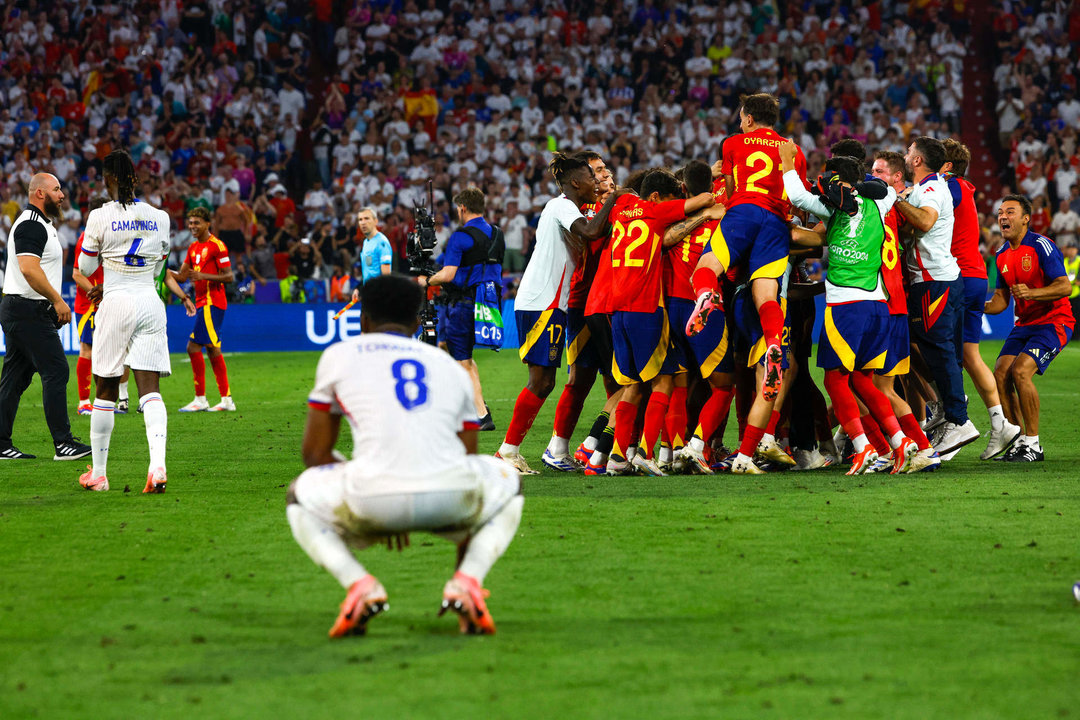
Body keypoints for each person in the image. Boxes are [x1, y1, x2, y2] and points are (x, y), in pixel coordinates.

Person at [285, 274, 523, 636]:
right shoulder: (448, 365)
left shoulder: (338, 356)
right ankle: (467, 581)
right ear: (416, 322)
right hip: (450, 497)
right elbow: (468, 455)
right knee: (508, 481)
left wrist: (376, 481)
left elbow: (314, 453)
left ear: (363, 320)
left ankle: (359, 585)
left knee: (297, 495)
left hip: (370, 498)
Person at [685, 92, 809, 475]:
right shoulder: (794, 149)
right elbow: (795, 197)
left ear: (751, 118)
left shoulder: (733, 144)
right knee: (767, 293)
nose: (740, 122)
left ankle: (705, 295)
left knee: (707, 265)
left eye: (741, 117)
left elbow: (735, 186)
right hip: (775, 221)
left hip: (742, 212)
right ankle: (775, 343)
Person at [780, 144, 918, 475]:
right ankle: (903, 443)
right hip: (877, 304)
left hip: (846, 306)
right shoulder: (882, 202)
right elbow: (885, 188)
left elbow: (797, 196)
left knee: (834, 381)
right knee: (863, 380)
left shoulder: (834, 210)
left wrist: (786, 163)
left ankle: (863, 447)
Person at [495, 153, 626, 475]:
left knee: (547, 381)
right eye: (592, 179)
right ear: (576, 183)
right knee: (541, 382)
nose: (597, 184)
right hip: (543, 301)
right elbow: (593, 231)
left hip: (552, 302)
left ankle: (515, 451)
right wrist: (616, 199)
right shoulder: (561, 205)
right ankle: (507, 452)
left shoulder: (572, 207)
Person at [77, 150, 195, 492]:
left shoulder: (100, 216)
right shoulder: (160, 216)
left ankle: (98, 474)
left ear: (108, 179)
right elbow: (160, 269)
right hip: (149, 301)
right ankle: (157, 467)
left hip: (115, 301)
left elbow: (84, 269)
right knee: (150, 390)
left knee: (105, 389)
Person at [894, 136, 980, 456]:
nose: (906, 154)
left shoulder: (932, 188)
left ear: (918, 161)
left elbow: (926, 221)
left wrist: (895, 199)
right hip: (934, 281)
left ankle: (958, 419)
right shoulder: (922, 189)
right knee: (918, 346)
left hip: (935, 282)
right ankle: (949, 402)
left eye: (909, 151)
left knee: (940, 351)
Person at [0, 173, 91, 461]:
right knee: (56, 370)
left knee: (15, 378)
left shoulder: (43, 225)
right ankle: (63, 444)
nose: (62, 194)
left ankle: (1, 443)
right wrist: (57, 299)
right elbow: (28, 268)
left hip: (22, 308)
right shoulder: (31, 224)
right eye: (56, 189)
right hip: (27, 309)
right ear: (40, 193)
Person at [941, 139, 1020, 460]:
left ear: (944, 165)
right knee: (968, 356)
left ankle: (952, 422)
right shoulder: (965, 187)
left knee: (938, 352)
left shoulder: (950, 186)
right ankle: (1002, 424)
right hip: (973, 274)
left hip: (958, 276)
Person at [985, 196, 1074, 462]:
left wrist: (1033, 293)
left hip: (1055, 321)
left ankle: (1034, 444)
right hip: (1024, 323)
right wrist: (976, 307)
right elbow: (1001, 300)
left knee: (1021, 371)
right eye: (1000, 212)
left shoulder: (1041, 246)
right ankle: (1018, 440)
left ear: (1026, 218)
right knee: (1000, 373)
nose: (1003, 217)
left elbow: (1064, 286)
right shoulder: (1001, 254)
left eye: (1010, 212)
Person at [418, 187, 502, 430]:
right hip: (488, 302)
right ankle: (477, 402)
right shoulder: (497, 233)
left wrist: (427, 280)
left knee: (462, 359)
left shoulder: (460, 237)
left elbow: (448, 273)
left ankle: (481, 415)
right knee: (455, 351)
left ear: (462, 208)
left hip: (464, 302)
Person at [176, 206, 236, 413]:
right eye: (190, 222)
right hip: (203, 303)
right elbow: (182, 276)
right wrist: (160, 268)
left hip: (213, 302)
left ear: (207, 224)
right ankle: (226, 400)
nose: (193, 226)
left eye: (197, 223)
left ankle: (201, 399)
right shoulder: (192, 248)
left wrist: (204, 277)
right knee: (212, 349)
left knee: (193, 347)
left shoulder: (217, 246)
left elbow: (229, 277)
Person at [213, 179, 251, 260]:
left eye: (230, 194)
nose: (228, 196)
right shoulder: (220, 209)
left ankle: (240, 270)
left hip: (236, 232)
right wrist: (215, 237)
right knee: (224, 255)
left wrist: (246, 233)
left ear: (233, 195)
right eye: (227, 194)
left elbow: (246, 221)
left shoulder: (239, 209)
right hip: (224, 233)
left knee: (239, 255)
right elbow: (216, 224)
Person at [356, 207, 393, 287]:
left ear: (375, 221)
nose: (363, 222)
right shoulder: (366, 242)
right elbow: (368, 272)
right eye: (360, 219)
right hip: (369, 294)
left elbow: (386, 278)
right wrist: (359, 289)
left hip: (378, 295)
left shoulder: (381, 242)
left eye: (366, 218)